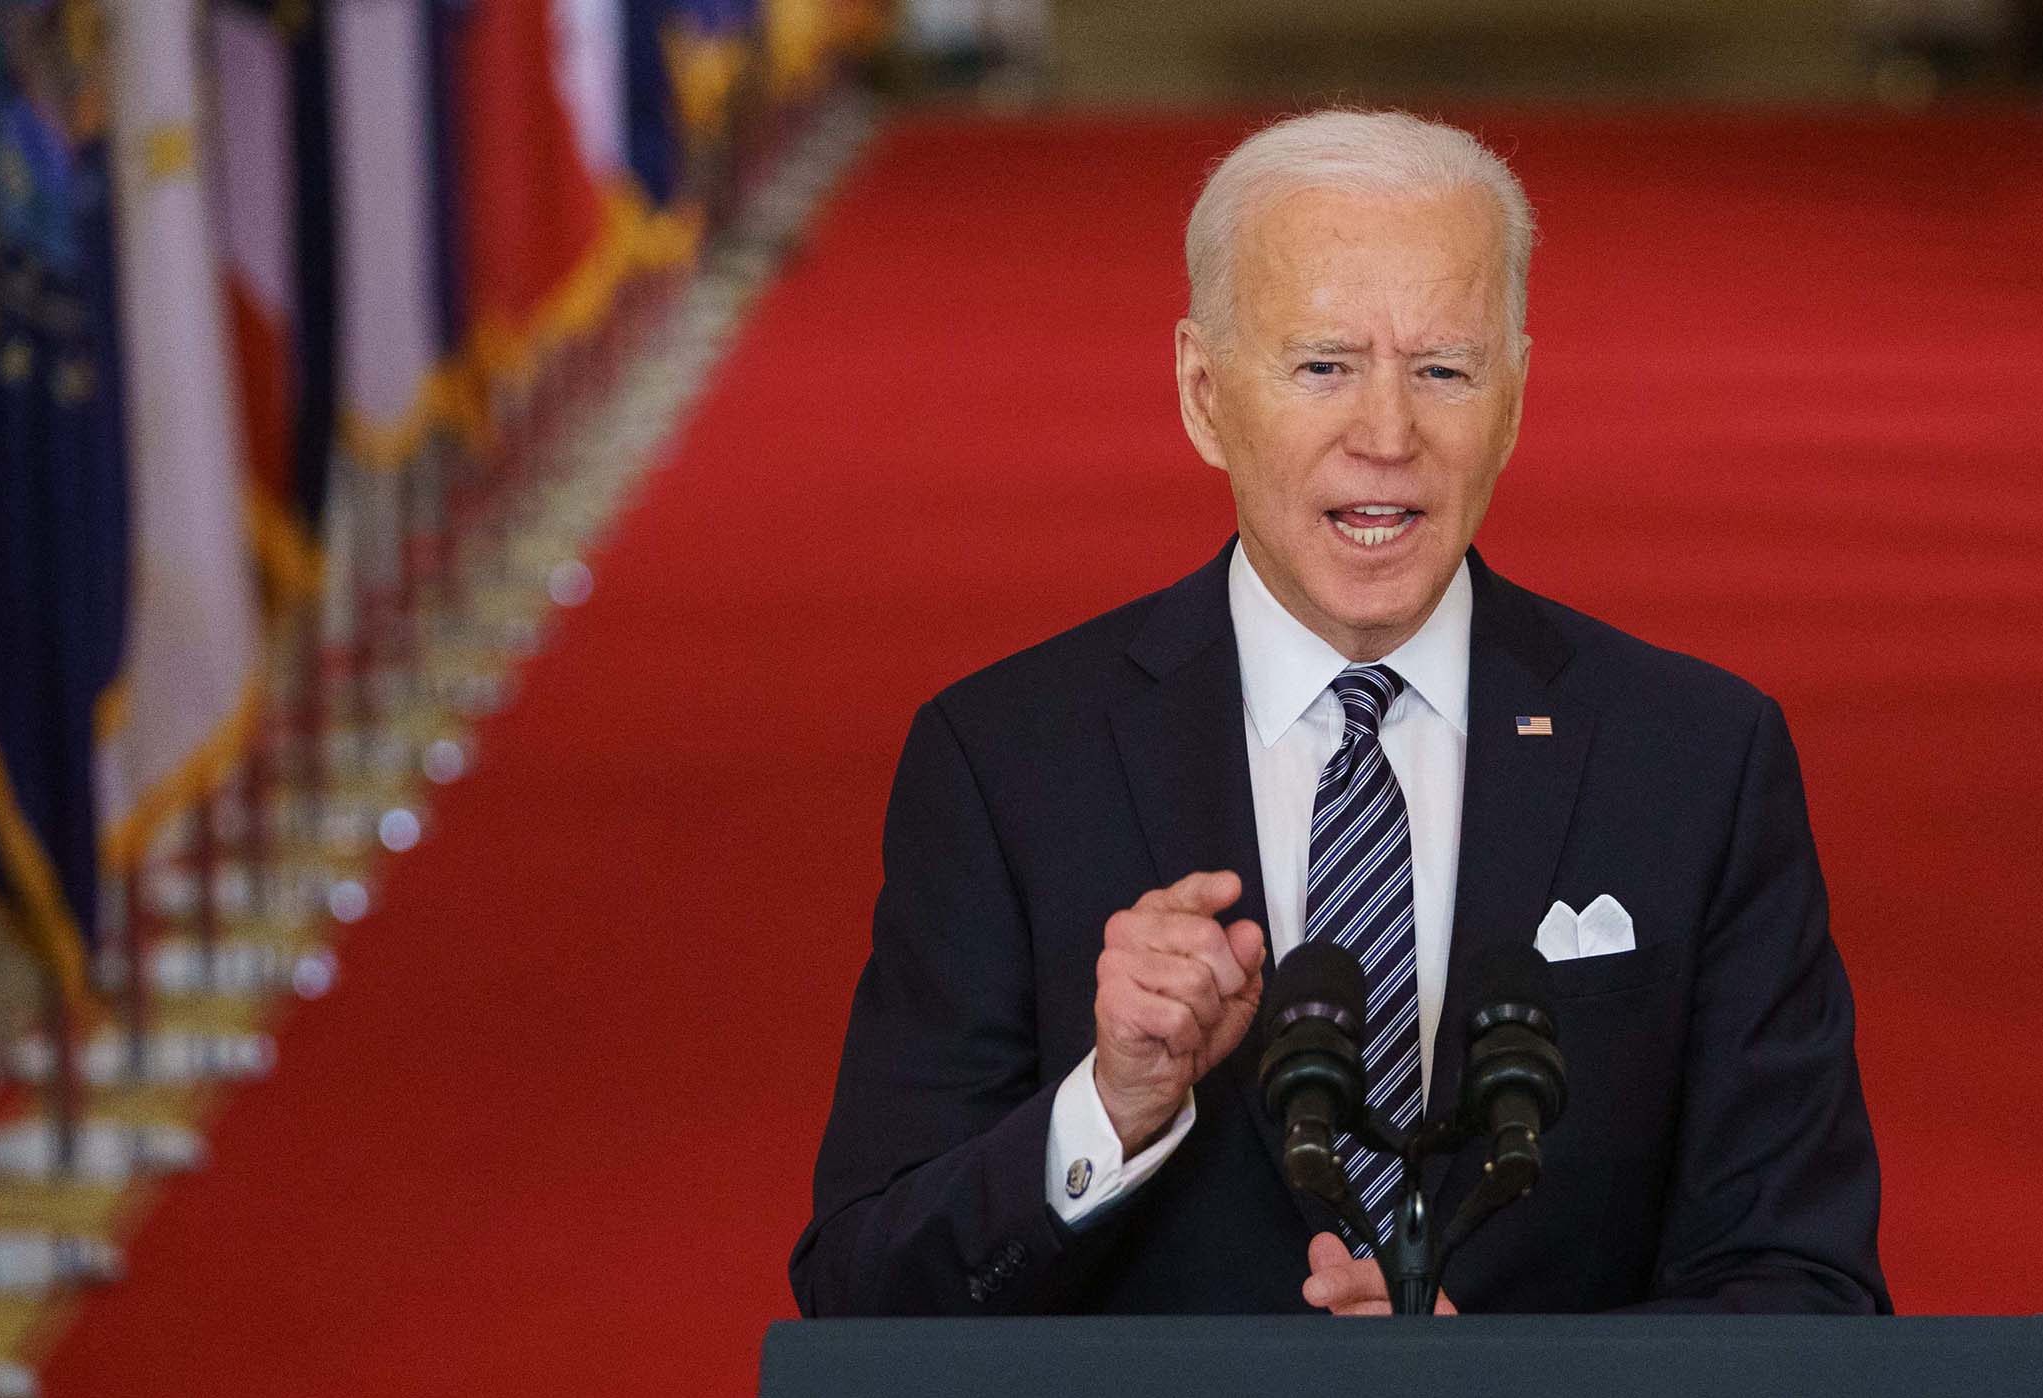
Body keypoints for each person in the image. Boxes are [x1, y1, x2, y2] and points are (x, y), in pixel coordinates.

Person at [793, 109, 1886, 1317]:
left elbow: (1804, 1283)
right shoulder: (1007, 764)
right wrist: (1111, 1103)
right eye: (1323, 367)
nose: (1387, 437)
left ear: (1515, 400)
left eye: (1443, 371)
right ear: (1205, 396)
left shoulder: (1695, 760)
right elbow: (862, 1291)